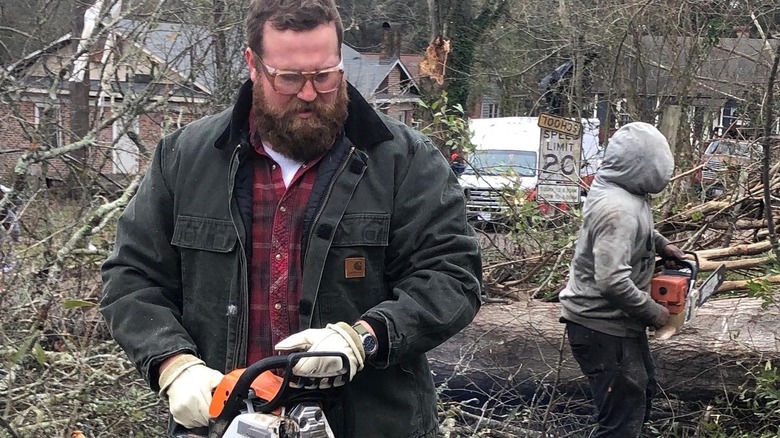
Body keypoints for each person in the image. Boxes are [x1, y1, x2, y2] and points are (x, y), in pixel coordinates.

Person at [99, 0, 482, 437]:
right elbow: (131, 277)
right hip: (224, 423)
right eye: (289, 78)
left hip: (373, 423)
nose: (308, 93)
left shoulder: (404, 161)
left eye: (324, 76)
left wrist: (364, 337)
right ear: (253, 65)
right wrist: (172, 363)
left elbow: (452, 276)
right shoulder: (185, 159)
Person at [558, 122, 685, 438]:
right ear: (643, 165)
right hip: (600, 325)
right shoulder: (618, 210)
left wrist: (660, 244)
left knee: (640, 392)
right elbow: (613, 282)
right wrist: (656, 313)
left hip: (616, 323)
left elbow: (637, 230)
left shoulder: (621, 190)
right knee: (621, 423)